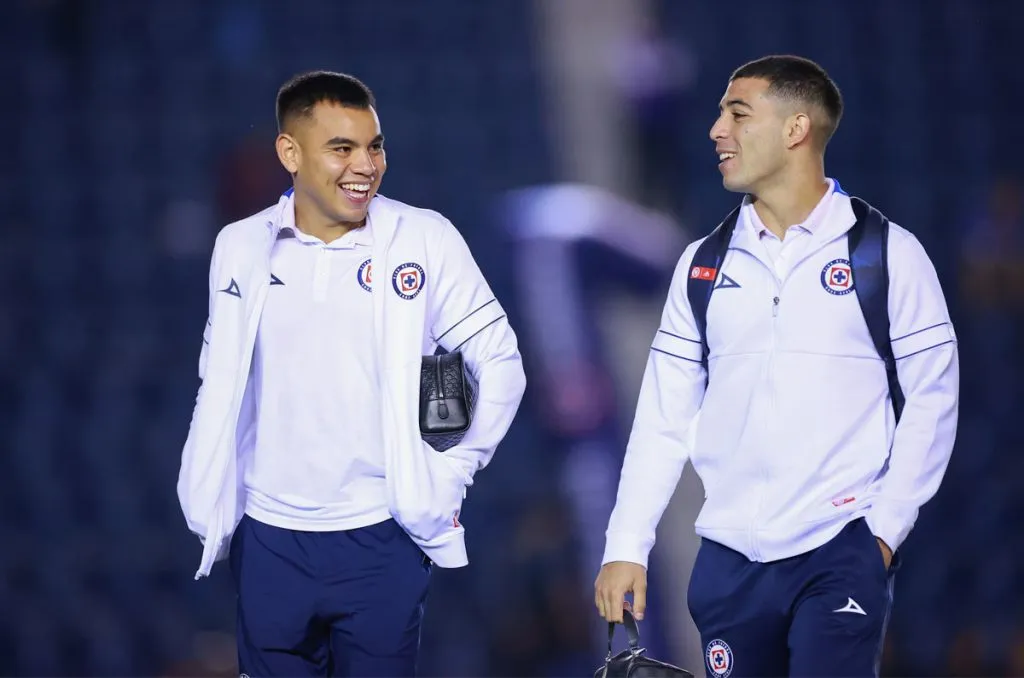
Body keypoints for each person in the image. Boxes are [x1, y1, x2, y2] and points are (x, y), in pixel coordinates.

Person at [594, 55, 959, 677]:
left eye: (737, 113)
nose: (716, 130)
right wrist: (626, 545)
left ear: (796, 128)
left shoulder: (887, 253)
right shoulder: (700, 266)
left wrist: (884, 531)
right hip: (728, 560)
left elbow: (934, 395)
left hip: (839, 548)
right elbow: (662, 416)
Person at [176, 70, 526, 677]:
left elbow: (500, 364)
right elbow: (219, 376)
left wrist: (453, 470)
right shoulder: (238, 246)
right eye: (342, 148)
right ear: (290, 153)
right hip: (269, 539)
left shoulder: (424, 239)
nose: (365, 164)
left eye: (375, 146)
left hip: (379, 536)